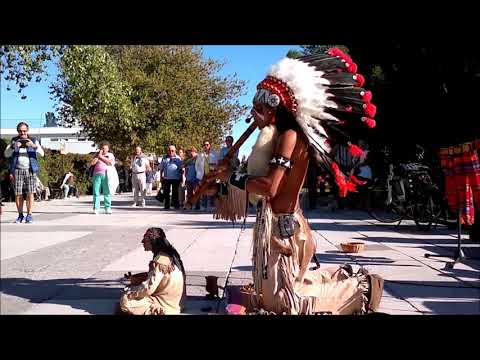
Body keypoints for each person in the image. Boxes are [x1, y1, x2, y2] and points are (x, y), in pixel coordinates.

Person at [208, 48, 384, 314]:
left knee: (282, 304)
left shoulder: (290, 136)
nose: (254, 113)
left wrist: (231, 177)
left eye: (260, 108)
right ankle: (334, 277)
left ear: (276, 107)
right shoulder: (275, 135)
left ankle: (358, 286)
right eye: (254, 107)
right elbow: (258, 183)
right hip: (275, 222)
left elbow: (270, 186)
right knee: (271, 294)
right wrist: (229, 175)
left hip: (283, 228)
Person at [118, 227, 186, 315]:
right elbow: (159, 277)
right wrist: (136, 279)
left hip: (166, 305)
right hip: (178, 303)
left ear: (152, 241)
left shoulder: (161, 260)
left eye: (145, 240)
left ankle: (157, 310)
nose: (142, 242)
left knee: (126, 301)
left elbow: (149, 289)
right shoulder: (171, 255)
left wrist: (131, 292)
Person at [3, 122, 45, 224]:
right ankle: (20, 215)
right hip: (17, 170)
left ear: (27, 131)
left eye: (24, 131)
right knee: (18, 194)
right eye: (21, 131)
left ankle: (29, 215)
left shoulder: (33, 140)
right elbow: (6, 154)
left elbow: (42, 154)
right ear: (18, 131)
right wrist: (13, 147)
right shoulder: (14, 140)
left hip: (30, 169)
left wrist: (34, 146)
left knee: (30, 193)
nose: (23, 133)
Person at [90, 141, 115, 214]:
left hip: (106, 174)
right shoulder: (97, 154)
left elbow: (110, 163)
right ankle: (96, 208)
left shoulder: (110, 155)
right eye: (103, 148)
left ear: (108, 149)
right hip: (96, 174)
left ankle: (107, 207)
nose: (104, 150)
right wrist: (98, 156)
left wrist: (102, 157)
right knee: (96, 191)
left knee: (106, 191)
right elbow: (92, 163)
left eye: (106, 148)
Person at [195, 140, 218, 209]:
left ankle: (212, 205)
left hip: (212, 174)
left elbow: (217, 163)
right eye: (205, 145)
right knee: (203, 189)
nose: (206, 146)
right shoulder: (200, 154)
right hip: (203, 174)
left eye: (207, 144)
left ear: (210, 145)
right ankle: (204, 205)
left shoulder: (214, 154)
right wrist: (198, 173)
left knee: (212, 189)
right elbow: (197, 165)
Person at [158, 145, 182, 210]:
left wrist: (181, 178)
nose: (171, 152)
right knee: (166, 192)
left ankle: (176, 205)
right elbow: (161, 168)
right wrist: (161, 177)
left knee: (175, 193)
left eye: (172, 151)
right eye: (169, 150)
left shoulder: (178, 158)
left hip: (176, 178)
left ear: (175, 151)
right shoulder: (164, 158)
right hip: (166, 178)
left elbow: (181, 169)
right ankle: (167, 205)